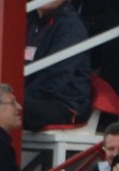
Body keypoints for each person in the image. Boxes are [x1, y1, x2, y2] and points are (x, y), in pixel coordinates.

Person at [24, 0, 92, 131]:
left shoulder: (70, 26)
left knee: (2, 107)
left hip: (64, 103)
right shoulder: (28, 21)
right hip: (33, 97)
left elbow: (57, 76)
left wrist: (14, 97)